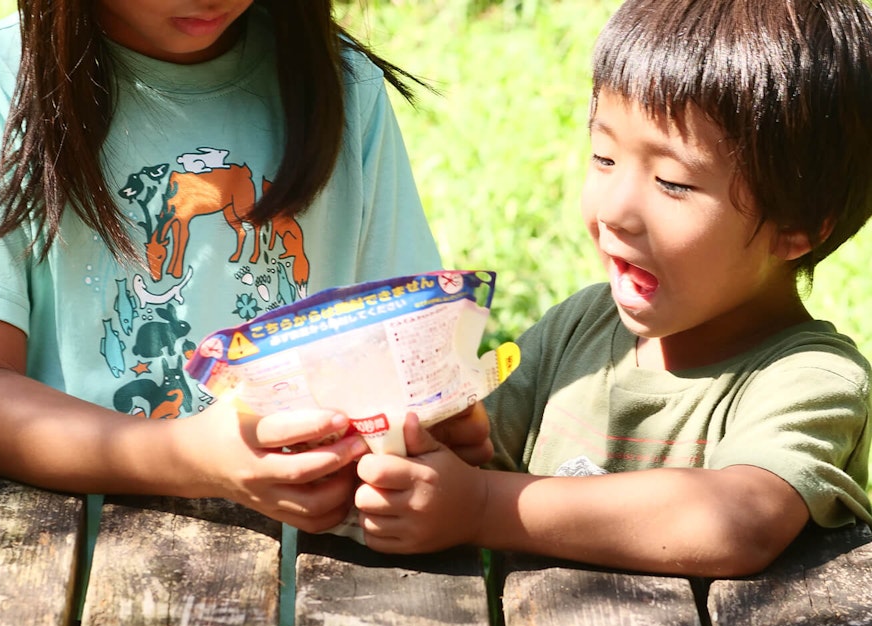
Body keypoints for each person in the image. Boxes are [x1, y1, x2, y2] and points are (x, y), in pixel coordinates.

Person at [0, 0, 492, 547]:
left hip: (307, 576)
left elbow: (400, 350)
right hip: (45, 567)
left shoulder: (342, 84)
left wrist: (431, 425)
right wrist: (196, 457)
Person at [351, 0, 872, 577]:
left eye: (672, 183)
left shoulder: (810, 380)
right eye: (604, 157)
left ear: (796, 228)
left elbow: (738, 520)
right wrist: (434, 448)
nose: (616, 211)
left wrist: (480, 505)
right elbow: (473, 454)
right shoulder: (579, 327)